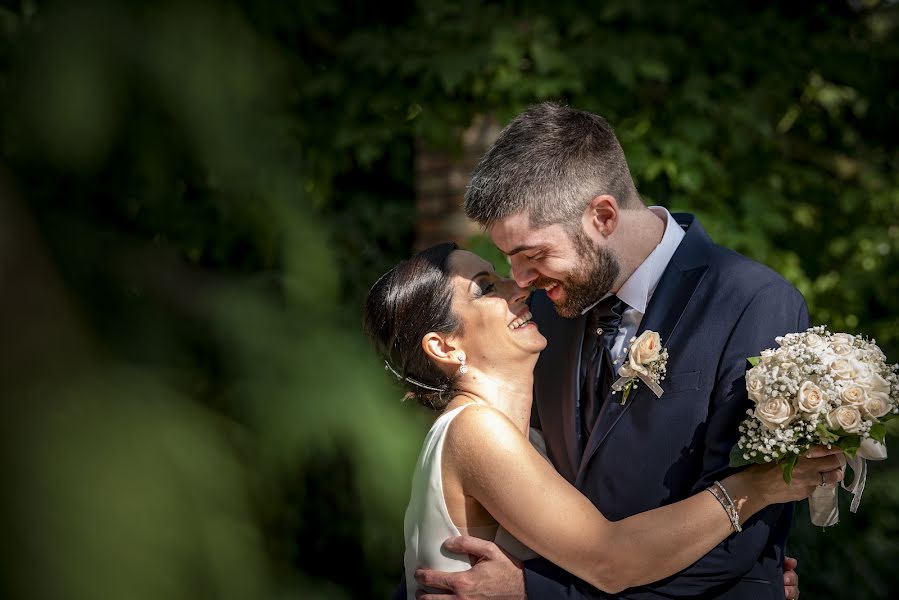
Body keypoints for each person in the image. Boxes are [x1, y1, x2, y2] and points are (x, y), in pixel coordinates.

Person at [407, 102, 819, 600]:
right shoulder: (540, 322)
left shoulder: (749, 302)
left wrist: (533, 591)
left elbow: (736, 547)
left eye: (533, 254)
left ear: (602, 215)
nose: (520, 281)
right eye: (509, 261)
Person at [366, 244, 841, 600]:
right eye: (487, 288)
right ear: (444, 347)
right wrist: (757, 488)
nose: (519, 287)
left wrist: (736, 585)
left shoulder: (528, 439)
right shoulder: (476, 432)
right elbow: (611, 559)